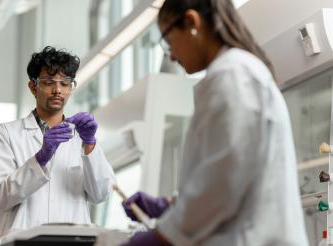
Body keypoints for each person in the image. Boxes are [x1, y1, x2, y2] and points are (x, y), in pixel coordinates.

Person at [121, 0, 308, 245]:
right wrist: (170, 204)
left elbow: (222, 184)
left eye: (168, 42)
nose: (173, 56)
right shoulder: (235, 72)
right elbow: (229, 170)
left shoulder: (232, 74)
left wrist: (160, 237)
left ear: (191, 22)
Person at [0, 46, 116, 240]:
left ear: (71, 87)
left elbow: (101, 194)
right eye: (49, 82)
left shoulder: (82, 137)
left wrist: (90, 144)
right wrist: (40, 159)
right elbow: (0, 196)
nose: (57, 90)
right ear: (33, 86)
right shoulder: (6, 134)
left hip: (73, 242)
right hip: (24, 242)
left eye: (65, 83)